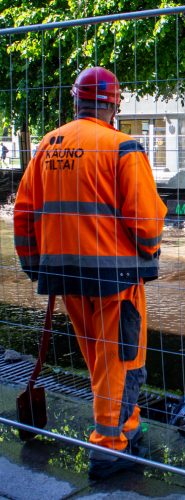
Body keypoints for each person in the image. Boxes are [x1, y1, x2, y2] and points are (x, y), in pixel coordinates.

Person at [13, 67, 167, 480]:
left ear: (76, 100)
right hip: (116, 279)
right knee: (121, 359)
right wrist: (148, 256)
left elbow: (24, 211)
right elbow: (147, 221)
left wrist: (34, 264)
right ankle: (108, 448)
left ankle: (126, 426)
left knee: (100, 358)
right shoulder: (123, 148)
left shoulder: (49, 144)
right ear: (114, 105)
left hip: (65, 277)